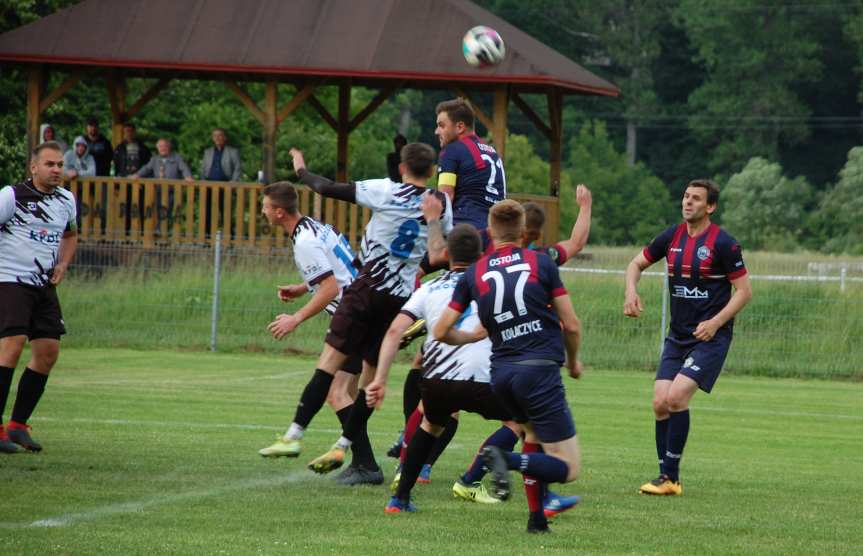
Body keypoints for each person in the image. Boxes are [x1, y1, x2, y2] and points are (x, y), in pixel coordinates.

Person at [290, 143, 453, 486]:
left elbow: (325, 187)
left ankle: (312, 439)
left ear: (402, 167)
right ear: (433, 168)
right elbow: (440, 253)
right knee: (360, 384)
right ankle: (357, 455)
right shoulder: (442, 202)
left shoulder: (386, 190)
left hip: (365, 295)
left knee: (337, 383)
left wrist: (301, 168)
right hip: (399, 303)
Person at [433, 200, 583, 533]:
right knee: (568, 467)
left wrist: (471, 337)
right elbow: (571, 325)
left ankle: (536, 520)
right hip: (539, 370)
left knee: (531, 433)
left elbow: (440, 330)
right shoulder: (541, 263)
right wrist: (574, 363)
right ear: (523, 230)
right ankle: (505, 460)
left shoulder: (474, 273)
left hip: (501, 375)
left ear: (490, 230)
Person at [624, 179, 752, 496]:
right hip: (678, 337)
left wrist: (716, 321)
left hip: (710, 337)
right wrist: (630, 290)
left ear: (710, 207)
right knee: (659, 402)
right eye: (685, 196)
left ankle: (669, 478)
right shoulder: (672, 236)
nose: (688, 202)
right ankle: (667, 478)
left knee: (676, 397)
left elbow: (745, 292)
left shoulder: (724, 243)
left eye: (696, 199)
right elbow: (635, 264)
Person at [257, 181, 361, 458]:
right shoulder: (317, 227)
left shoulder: (303, 241)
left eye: (265, 206)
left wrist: (296, 318)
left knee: (336, 392)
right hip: (363, 309)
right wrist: (304, 287)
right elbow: (342, 270)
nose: (263, 211)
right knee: (348, 395)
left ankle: (365, 463)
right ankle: (362, 462)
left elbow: (330, 287)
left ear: (279, 212)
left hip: (352, 316)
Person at [0, 141, 78, 454]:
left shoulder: (66, 200)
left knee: (48, 352)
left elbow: (70, 235)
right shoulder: (12, 196)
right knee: (13, 345)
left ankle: (18, 426)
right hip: (10, 279)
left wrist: (63, 263)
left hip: (43, 285)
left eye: (60, 164)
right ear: (34, 167)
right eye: (50, 164)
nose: (56, 169)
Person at [435, 98, 505, 230]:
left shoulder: (451, 150)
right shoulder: (492, 152)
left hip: (464, 227)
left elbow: (446, 196)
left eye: (441, 125)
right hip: (495, 230)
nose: (436, 131)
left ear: (460, 127)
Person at [201, 128, 242, 232]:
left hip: (226, 185)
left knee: (226, 212)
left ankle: (230, 239)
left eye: (220, 135)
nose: (217, 138)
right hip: (209, 185)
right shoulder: (208, 152)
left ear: (225, 137)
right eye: (215, 136)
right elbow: (203, 169)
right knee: (207, 212)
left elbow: (238, 168)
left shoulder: (232, 151)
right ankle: (207, 237)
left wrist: (234, 182)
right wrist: (202, 181)